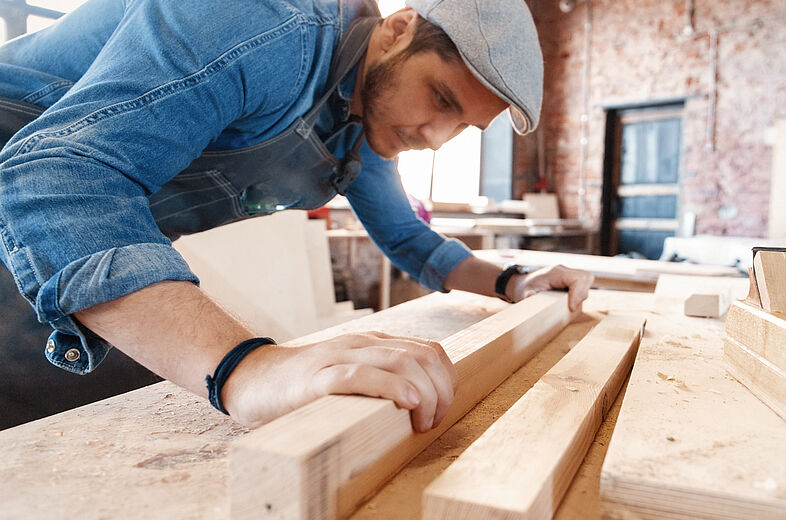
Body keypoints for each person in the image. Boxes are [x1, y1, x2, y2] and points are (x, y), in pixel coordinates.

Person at [0, 0, 594, 431]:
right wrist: (249, 368)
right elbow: (57, 177)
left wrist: (512, 281)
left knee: (112, 419)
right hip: (37, 192)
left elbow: (409, 238)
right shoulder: (261, 21)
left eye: (464, 125)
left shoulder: (360, 122)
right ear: (399, 29)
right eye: (441, 98)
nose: (437, 137)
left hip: (74, 238)